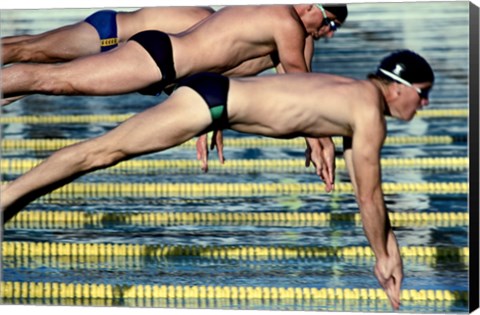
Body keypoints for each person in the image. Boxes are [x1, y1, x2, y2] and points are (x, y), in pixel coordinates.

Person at [1, 49, 435, 309]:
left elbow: (367, 194)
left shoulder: (353, 95)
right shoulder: (367, 115)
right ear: (397, 87)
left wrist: (389, 249)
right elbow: (370, 199)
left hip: (214, 96)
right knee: (101, 152)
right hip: (211, 102)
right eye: (423, 93)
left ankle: (11, 199)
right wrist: (383, 256)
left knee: (101, 154)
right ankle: (7, 195)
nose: (425, 104)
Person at [1, 4, 347, 103]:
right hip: (111, 35)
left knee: (33, 79)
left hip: (143, 58)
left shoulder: (234, 30)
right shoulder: (208, 19)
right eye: (330, 24)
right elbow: (301, 86)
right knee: (30, 54)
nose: (328, 34)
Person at [1, 6, 216, 65]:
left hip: (110, 26)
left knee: (25, 45)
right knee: (25, 50)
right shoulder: (205, 24)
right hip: (108, 36)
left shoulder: (205, 15)